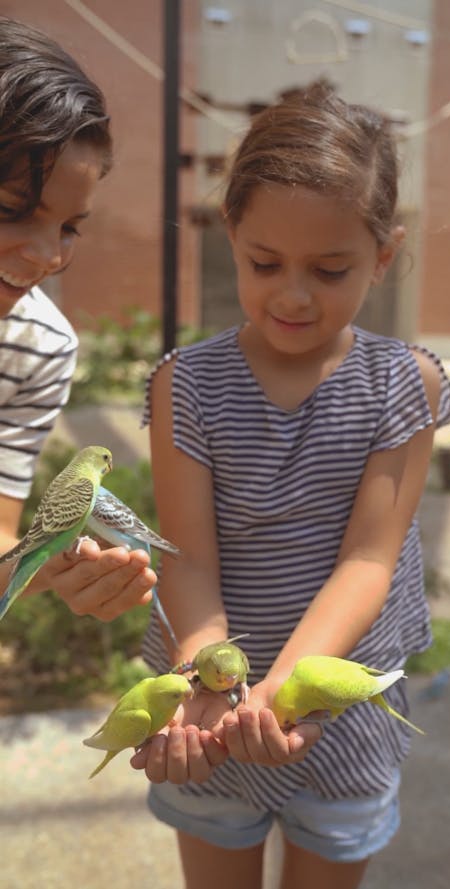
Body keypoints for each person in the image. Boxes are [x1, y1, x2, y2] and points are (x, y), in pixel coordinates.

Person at [131, 82, 450, 889]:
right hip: (207, 715)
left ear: (384, 253)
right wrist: (215, 675)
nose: (293, 293)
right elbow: (188, 560)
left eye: (331, 267)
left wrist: (279, 691)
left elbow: (368, 562)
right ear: (229, 234)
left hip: (340, 717)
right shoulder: (188, 384)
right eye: (264, 262)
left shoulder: (403, 385)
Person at [0, 17, 156, 618]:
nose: (48, 256)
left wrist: (52, 564)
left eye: (69, 227)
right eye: (12, 209)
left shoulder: (37, 346)